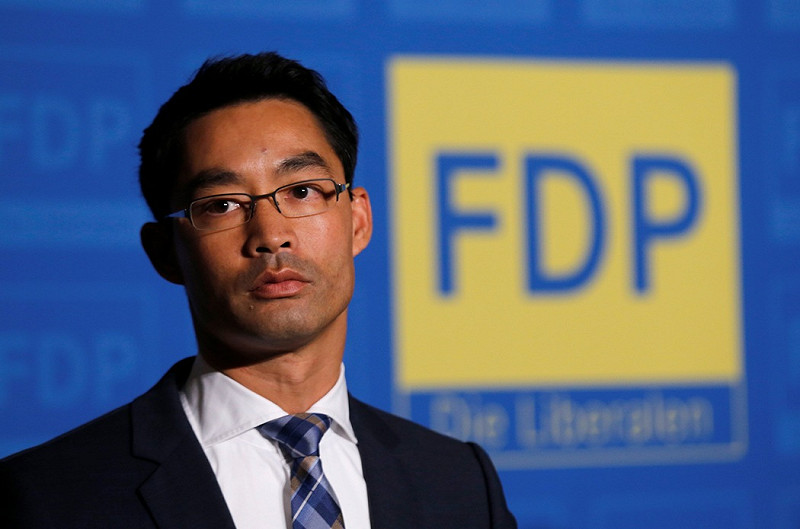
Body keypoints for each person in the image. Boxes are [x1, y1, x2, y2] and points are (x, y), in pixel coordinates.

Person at [0, 52, 517, 529]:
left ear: (358, 220)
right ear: (164, 252)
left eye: (302, 191)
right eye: (221, 205)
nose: (271, 234)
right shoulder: (46, 498)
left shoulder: (460, 483)